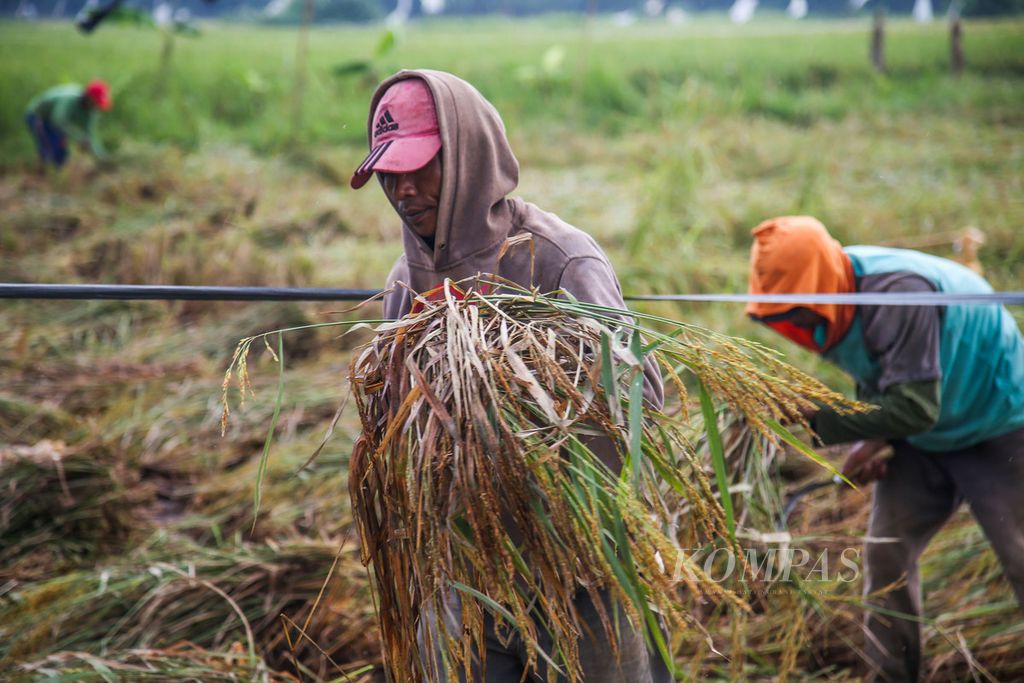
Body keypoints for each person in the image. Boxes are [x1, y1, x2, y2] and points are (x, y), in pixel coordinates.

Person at [349, 70, 668, 682]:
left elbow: (641, 398)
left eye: (423, 168)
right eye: (391, 173)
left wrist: (512, 385)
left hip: (576, 566)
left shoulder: (557, 257)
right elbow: (393, 420)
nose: (405, 189)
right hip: (463, 571)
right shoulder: (404, 280)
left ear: (469, 158)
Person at [745, 215, 1024, 682]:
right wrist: (866, 445)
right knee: (886, 558)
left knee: (1018, 557)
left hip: (996, 421)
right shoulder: (837, 299)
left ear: (820, 285)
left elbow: (913, 409)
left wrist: (818, 418)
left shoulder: (895, 295)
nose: (793, 323)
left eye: (796, 310)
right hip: (926, 427)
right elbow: (892, 385)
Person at [25, 80, 111, 169]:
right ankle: (44, 175)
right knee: (52, 149)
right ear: (89, 97)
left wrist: (101, 156)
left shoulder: (91, 110)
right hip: (38, 117)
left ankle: (54, 174)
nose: (97, 106)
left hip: (54, 122)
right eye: (96, 102)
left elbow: (90, 135)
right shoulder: (70, 99)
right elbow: (58, 120)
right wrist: (80, 138)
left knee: (62, 152)